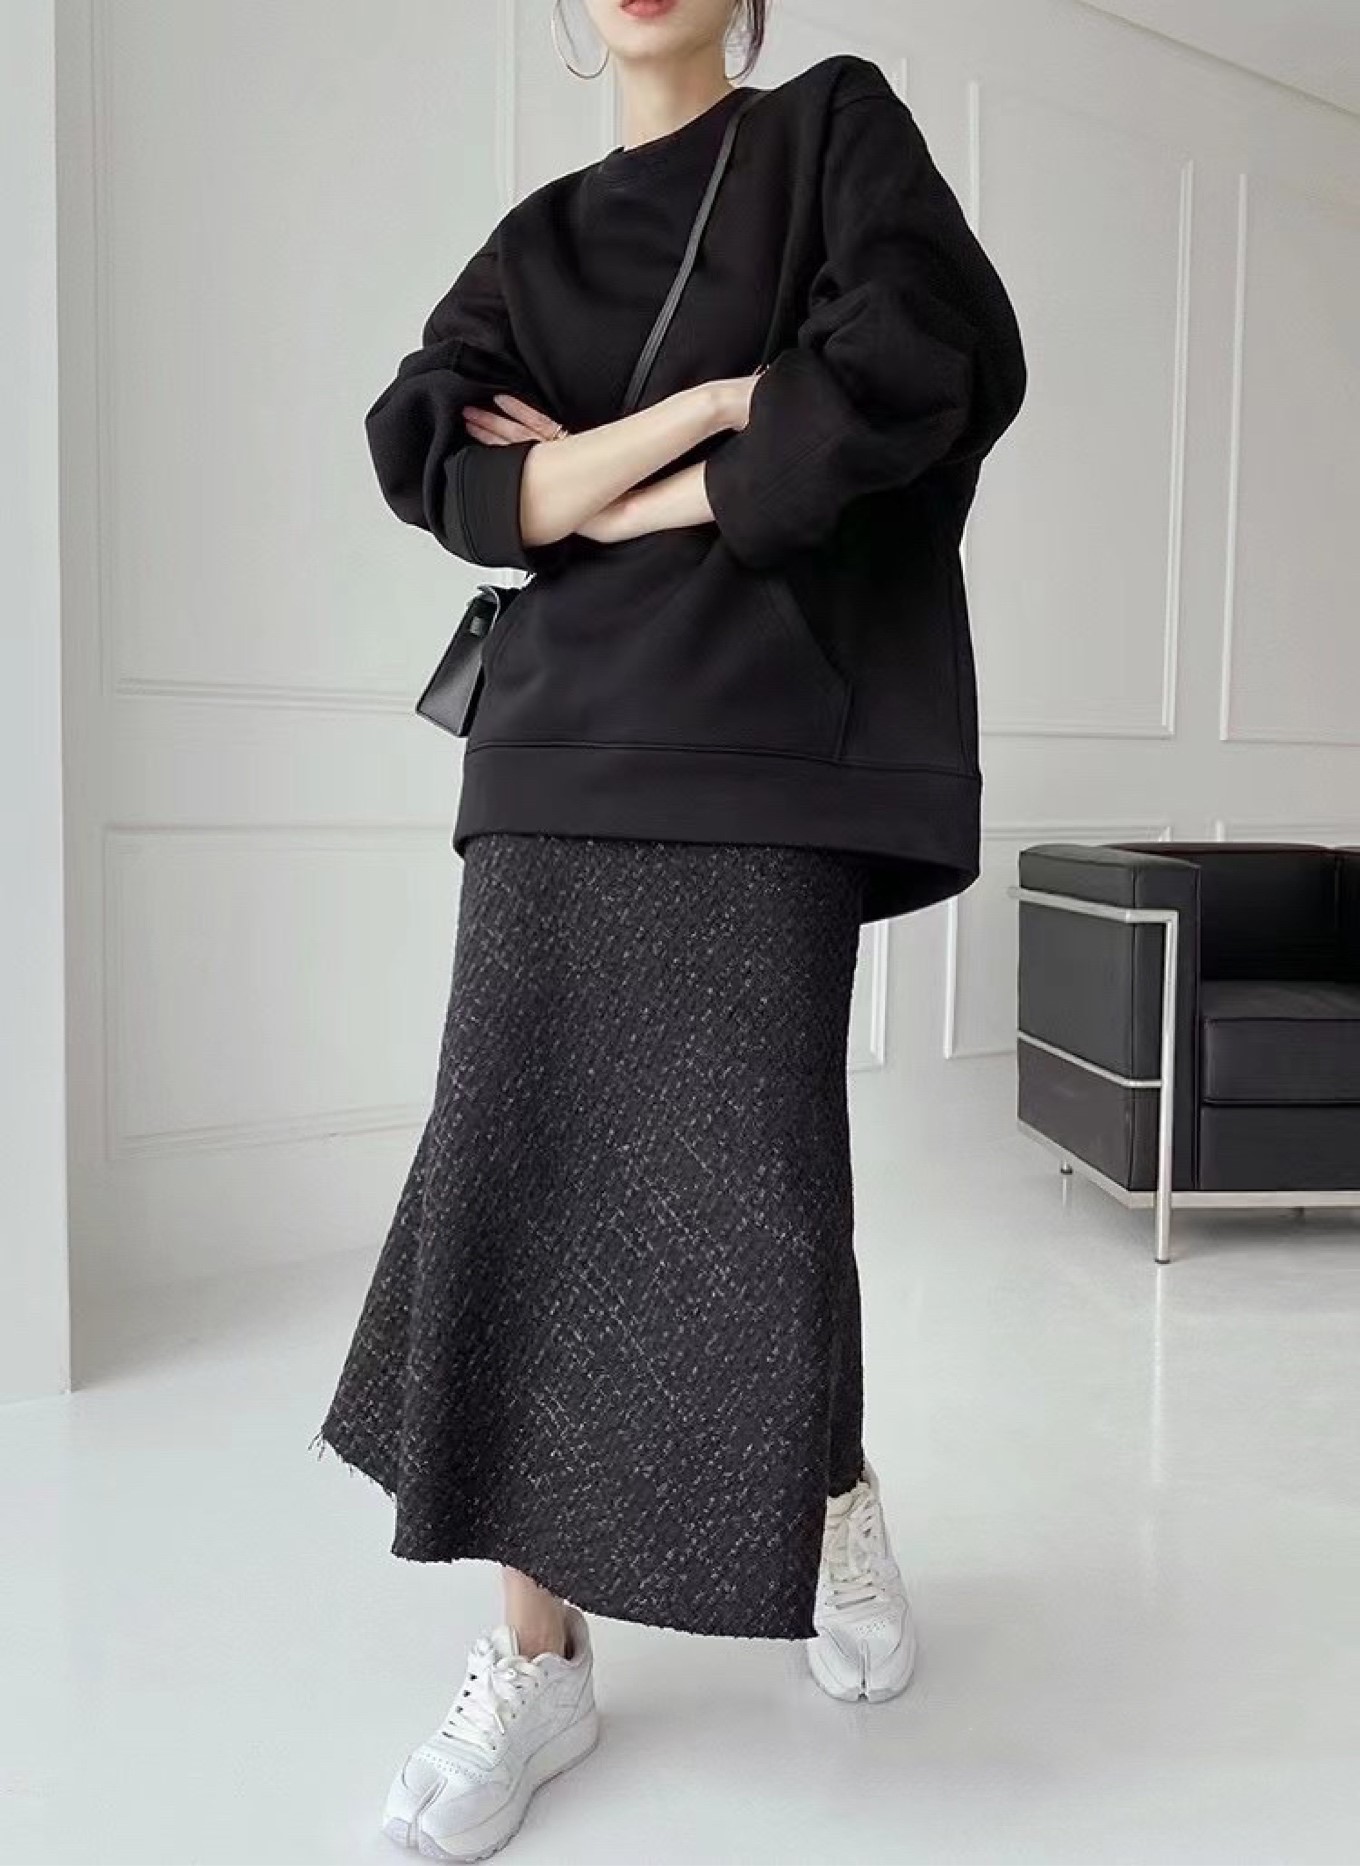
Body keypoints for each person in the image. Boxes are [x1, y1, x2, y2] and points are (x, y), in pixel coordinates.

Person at [314, 0, 1027, 1857]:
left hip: (763, 746)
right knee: (521, 1170)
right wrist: (713, 407)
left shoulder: (830, 131)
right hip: (556, 751)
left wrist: (649, 475)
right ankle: (536, 1654)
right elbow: (440, 456)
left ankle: (826, 1492)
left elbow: (924, 355)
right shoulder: (533, 241)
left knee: (760, 1183)